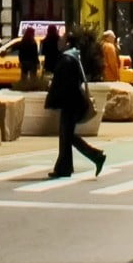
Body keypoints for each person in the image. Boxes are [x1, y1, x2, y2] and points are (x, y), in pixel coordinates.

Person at [44, 41, 105, 180]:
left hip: (70, 103)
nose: (59, 43)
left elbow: (64, 84)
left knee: (66, 135)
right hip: (73, 102)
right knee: (66, 136)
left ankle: (94, 156)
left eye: (61, 41)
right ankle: (66, 166)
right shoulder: (73, 59)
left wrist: (55, 98)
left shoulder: (67, 60)